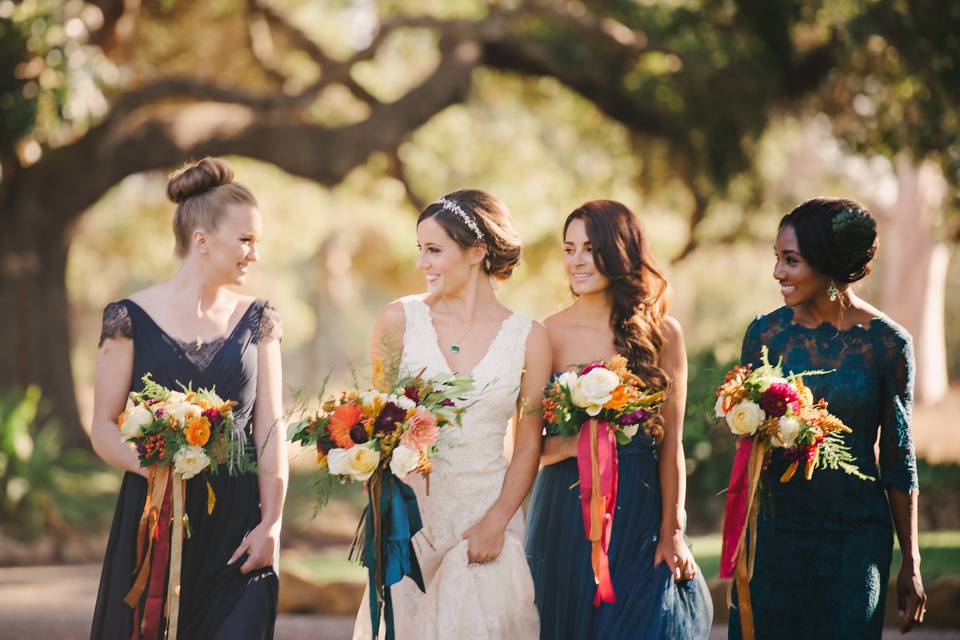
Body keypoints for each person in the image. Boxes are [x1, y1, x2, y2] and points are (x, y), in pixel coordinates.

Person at [90, 157, 287, 639]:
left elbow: (270, 427)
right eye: (245, 240)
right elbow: (102, 426)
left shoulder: (259, 319)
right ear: (201, 240)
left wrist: (272, 525)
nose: (253, 255)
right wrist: (157, 470)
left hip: (239, 527)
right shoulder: (127, 318)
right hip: (153, 520)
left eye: (256, 243)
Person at [727, 197, 926, 639]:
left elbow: (898, 458)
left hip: (854, 540)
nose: (778, 273)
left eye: (791, 261)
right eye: (777, 259)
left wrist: (910, 561)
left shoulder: (888, 343)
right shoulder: (766, 334)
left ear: (827, 261)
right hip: (776, 537)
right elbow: (745, 447)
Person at [353, 189, 548, 638]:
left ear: (478, 252)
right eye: (420, 249)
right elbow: (375, 427)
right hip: (410, 523)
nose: (423, 263)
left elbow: (528, 445)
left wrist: (497, 520)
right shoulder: (397, 321)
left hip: (485, 520)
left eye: (435, 250)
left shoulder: (529, 337)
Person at [524, 200, 712, 639]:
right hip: (567, 515)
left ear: (619, 251)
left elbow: (672, 445)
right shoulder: (545, 333)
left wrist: (673, 532)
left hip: (641, 516)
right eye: (568, 249)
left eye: (589, 248)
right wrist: (580, 442)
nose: (576, 260)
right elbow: (526, 446)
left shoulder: (665, 334)